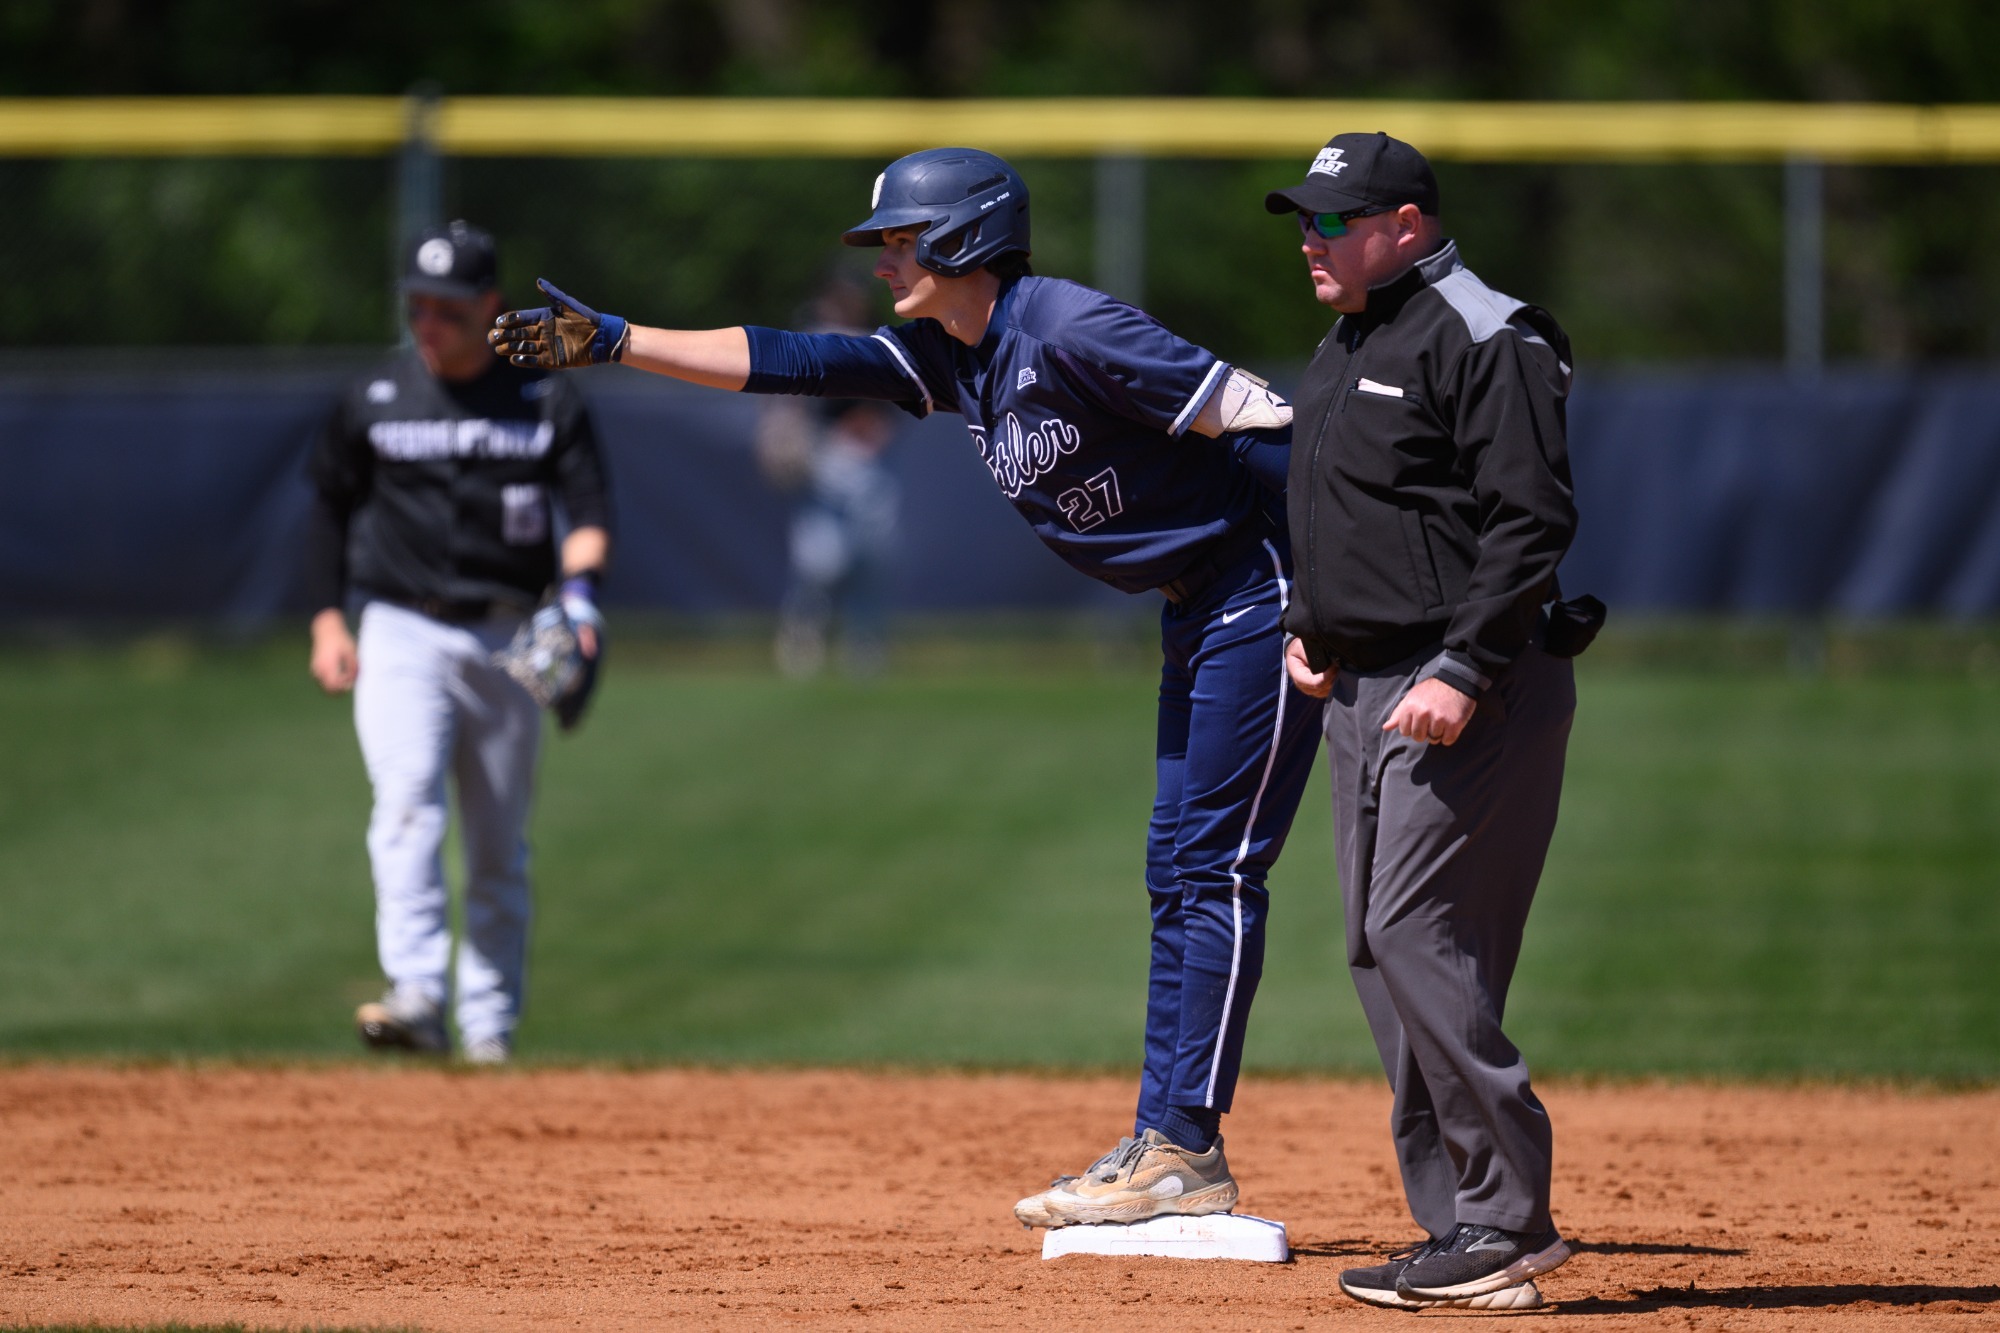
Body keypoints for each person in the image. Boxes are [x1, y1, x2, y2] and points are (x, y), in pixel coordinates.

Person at [490, 148, 1321, 1225]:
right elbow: (795, 359)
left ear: (964, 238)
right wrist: (617, 340)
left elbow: (1272, 434)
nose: (883, 263)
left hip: (1261, 592)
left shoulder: (1070, 328)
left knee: (1209, 867)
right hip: (1194, 606)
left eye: (898, 240)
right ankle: (1166, 1142)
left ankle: (1184, 1149)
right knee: (1175, 863)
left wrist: (1331, 598)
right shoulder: (957, 352)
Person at [1270, 132, 1600, 1311]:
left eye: (1331, 219)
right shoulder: (1356, 328)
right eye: (1302, 218)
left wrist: (1463, 665)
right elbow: (1355, 499)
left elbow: (1528, 519)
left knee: (1414, 929)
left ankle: (1506, 1217)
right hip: (1364, 684)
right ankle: (1464, 1226)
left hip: (1464, 686)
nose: (1307, 237)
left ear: (1406, 222)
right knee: (1377, 951)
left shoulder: (1482, 330)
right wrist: (1312, 621)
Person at [306, 220, 613, 1065]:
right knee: (405, 803)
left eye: (445, 308)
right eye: (417, 306)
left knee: (495, 841)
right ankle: (416, 993)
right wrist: (328, 618)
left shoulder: (543, 397)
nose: (427, 324)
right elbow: (327, 509)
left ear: (488, 306)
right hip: (400, 627)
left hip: (511, 634)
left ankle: (488, 1028)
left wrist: (581, 603)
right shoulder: (375, 395)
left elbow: (588, 515)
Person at [754, 275, 902, 678]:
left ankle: (866, 652)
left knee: (869, 563)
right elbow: (786, 411)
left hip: (867, 463)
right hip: (821, 461)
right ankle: (802, 643)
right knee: (820, 563)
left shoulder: (876, 341)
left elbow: (889, 408)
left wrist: (870, 425)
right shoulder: (809, 340)